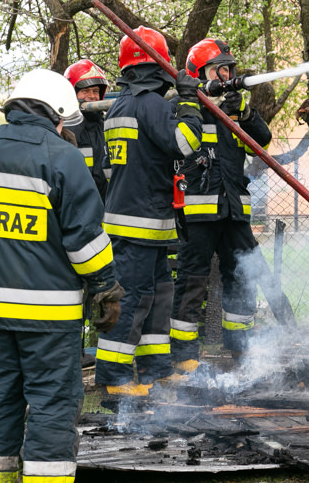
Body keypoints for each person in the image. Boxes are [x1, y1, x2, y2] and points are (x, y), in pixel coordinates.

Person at [0, 68, 121, 483]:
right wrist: (105, 286)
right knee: (54, 402)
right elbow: (84, 240)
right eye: (64, 121)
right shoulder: (62, 157)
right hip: (48, 311)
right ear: (55, 113)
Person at [94, 26, 203, 396]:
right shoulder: (153, 105)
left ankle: (155, 368)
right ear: (159, 68)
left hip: (137, 222)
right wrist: (188, 101)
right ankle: (114, 379)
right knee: (134, 299)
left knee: (158, 295)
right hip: (141, 224)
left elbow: (112, 170)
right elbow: (185, 144)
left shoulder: (119, 107)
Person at [170, 38, 273, 371]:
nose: (228, 75)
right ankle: (185, 358)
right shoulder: (185, 107)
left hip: (234, 211)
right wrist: (196, 100)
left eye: (230, 69)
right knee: (191, 280)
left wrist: (244, 112)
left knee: (243, 275)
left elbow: (262, 141)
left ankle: (241, 351)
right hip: (199, 212)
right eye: (220, 69)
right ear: (199, 73)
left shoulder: (233, 110)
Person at [64, 60, 111, 202]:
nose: (92, 96)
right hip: (76, 207)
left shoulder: (106, 126)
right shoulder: (64, 130)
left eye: (95, 91)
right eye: (85, 91)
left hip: (106, 206)